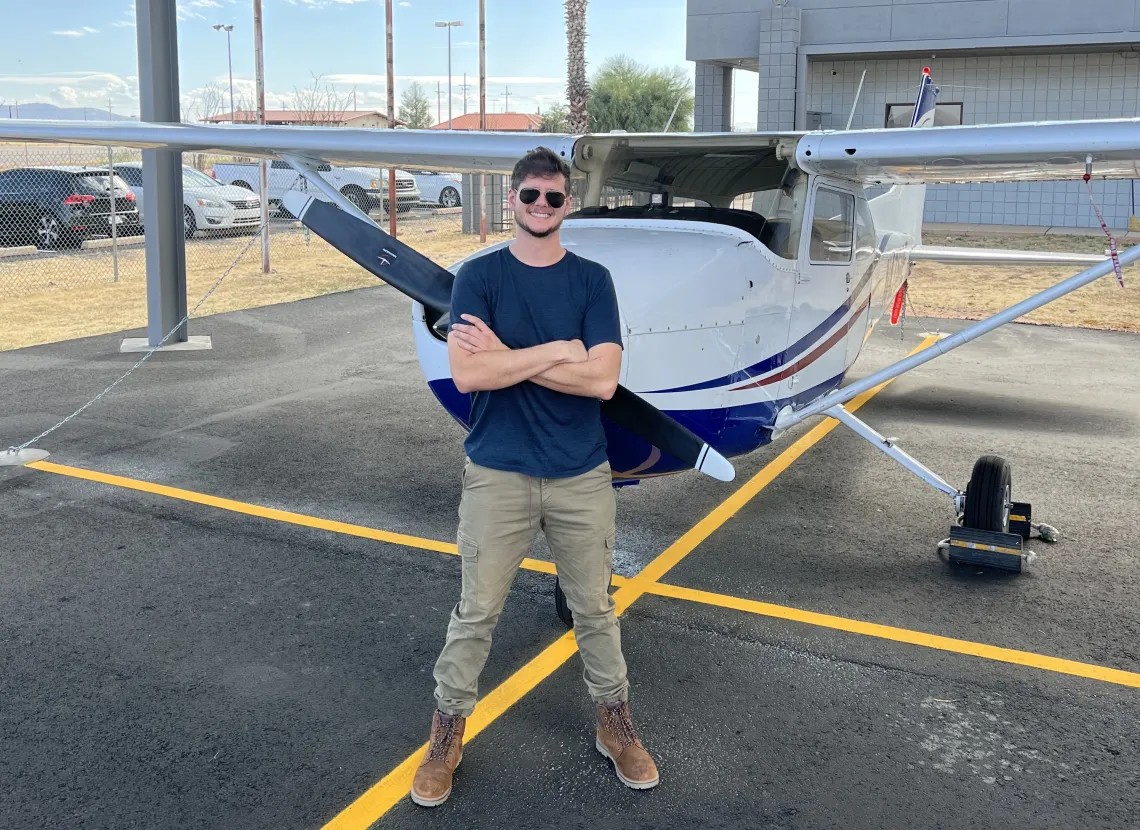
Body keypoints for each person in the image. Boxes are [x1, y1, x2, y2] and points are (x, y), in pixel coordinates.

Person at [409, 147, 659, 807]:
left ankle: (616, 723)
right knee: (477, 611)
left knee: (596, 610)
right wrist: (554, 351)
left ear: (566, 204)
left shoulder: (591, 281)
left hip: (581, 474)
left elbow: (603, 379)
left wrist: (509, 355)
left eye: (553, 197)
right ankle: (445, 733)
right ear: (512, 200)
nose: (541, 207)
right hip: (498, 472)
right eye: (530, 197)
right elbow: (469, 374)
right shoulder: (478, 277)